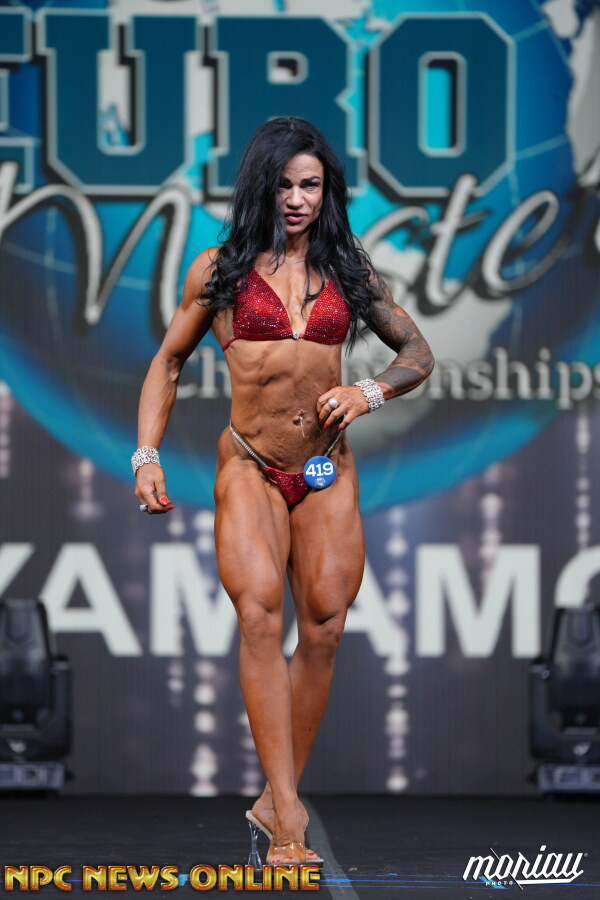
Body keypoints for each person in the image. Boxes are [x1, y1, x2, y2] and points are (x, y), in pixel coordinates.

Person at [132, 117, 435, 866]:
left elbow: (417, 352)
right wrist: (146, 455)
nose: (297, 199)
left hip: (326, 467)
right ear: (259, 187)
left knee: (325, 626)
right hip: (250, 465)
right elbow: (167, 362)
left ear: (326, 191)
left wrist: (368, 391)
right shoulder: (219, 271)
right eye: (284, 185)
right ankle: (290, 822)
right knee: (260, 616)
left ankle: (274, 796)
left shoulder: (349, 272)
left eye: (311, 185)